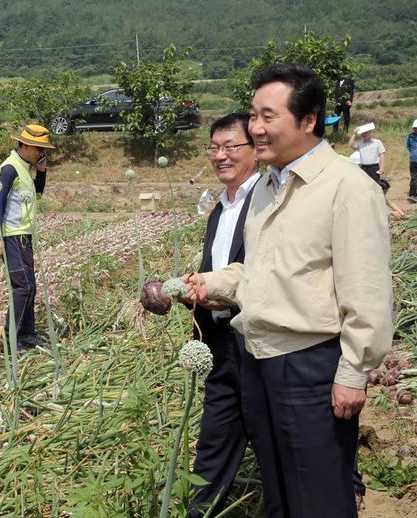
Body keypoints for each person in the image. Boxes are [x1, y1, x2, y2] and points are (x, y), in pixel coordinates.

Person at [182, 63, 393, 516]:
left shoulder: (347, 188)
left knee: (319, 497)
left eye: (268, 116)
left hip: (311, 366)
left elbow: (368, 292)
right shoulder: (266, 187)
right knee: (279, 493)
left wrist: (353, 373)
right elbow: (256, 271)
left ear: (308, 120)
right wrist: (205, 282)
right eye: (253, 115)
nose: (256, 128)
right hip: (258, 361)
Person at [186, 113, 260, 518]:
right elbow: (217, 269)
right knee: (214, 438)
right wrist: (193, 290)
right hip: (220, 343)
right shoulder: (220, 207)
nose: (220, 155)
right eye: (214, 148)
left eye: (232, 146)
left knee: (273, 437)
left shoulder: (265, 201)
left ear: (255, 150)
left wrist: (225, 295)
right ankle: (201, 511)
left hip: (258, 342)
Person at [0, 124, 52, 351]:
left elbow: (36, 194)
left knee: (30, 287)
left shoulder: (25, 167)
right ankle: (7, 340)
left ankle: (27, 334)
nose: (42, 153)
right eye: (38, 148)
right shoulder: (9, 169)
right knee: (22, 287)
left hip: (24, 236)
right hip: (12, 237)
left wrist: (41, 172)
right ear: (25, 145)